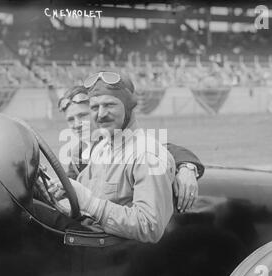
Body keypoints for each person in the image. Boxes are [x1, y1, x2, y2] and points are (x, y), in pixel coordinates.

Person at [49, 72, 199, 243]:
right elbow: (80, 195)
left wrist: (187, 166)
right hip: (89, 242)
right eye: (94, 107)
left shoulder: (147, 153)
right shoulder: (100, 149)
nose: (101, 114)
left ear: (129, 107)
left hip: (117, 256)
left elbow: (150, 226)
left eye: (110, 105)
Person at [57, 84, 204, 213]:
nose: (76, 124)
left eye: (82, 115)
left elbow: (162, 150)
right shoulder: (78, 154)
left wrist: (187, 167)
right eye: (70, 119)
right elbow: (70, 185)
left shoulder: (119, 138)